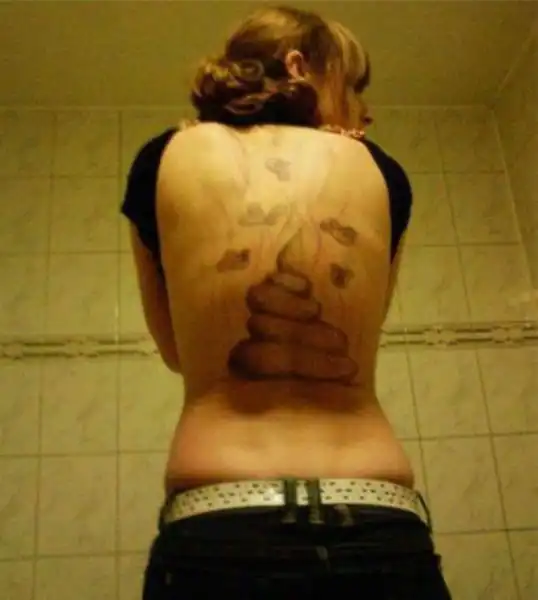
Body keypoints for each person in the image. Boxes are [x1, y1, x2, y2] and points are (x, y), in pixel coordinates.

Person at [121, 5, 452, 599]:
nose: (365, 110)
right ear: (299, 66)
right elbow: (362, 331)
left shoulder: (162, 160)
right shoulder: (382, 172)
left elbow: (175, 351)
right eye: (353, 86)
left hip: (220, 518)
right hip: (376, 514)